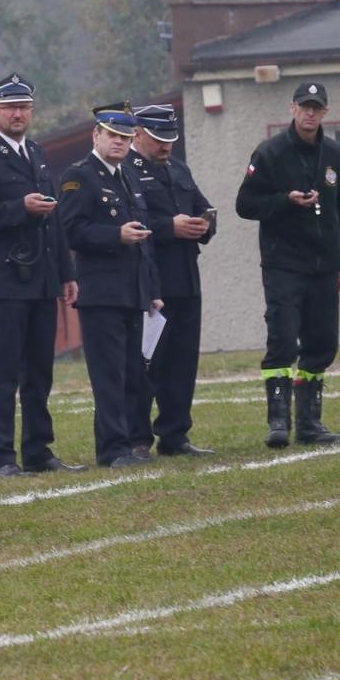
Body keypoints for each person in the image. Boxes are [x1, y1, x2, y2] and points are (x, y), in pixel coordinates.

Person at [0, 73, 84, 478]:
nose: (18, 114)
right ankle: (3, 458)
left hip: (43, 277)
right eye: (11, 107)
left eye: (24, 107)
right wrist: (19, 208)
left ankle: (38, 451)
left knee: (39, 371)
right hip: (6, 280)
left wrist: (66, 272)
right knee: (4, 372)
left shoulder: (37, 153)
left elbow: (56, 220)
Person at [234, 81, 340, 448]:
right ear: (292, 109)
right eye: (304, 106)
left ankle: (309, 423)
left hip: (324, 264)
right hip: (284, 263)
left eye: (316, 108)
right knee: (283, 338)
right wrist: (285, 200)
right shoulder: (270, 153)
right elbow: (245, 204)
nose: (309, 113)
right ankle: (278, 421)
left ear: (325, 113)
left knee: (322, 342)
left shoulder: (335, 154)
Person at [57, 105, 162, 468]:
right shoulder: (79, 176)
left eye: (125, 137)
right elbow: (69, 230)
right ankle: (112, 449)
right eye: (112, 136)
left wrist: (151, 290)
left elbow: (144, 240)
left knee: (134, 372)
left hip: (132, 291)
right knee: (109, 376)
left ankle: (131, 442)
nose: (119, 143)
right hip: (100, 292)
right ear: (96, 136)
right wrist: (115, 235)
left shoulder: (129, 177)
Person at [125, 104, 216, 457]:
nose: (165, 147)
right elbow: (132, 221)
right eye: (159, 140)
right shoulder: (128, 171)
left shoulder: (178, 169)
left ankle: (175, 435)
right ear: (138, 134)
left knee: (182, 361)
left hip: (185, 278)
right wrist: (169, 227)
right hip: (151, 280)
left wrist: (204, 225)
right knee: (147, 361)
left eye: (170, 140)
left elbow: (200, 205)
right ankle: (137, 438)